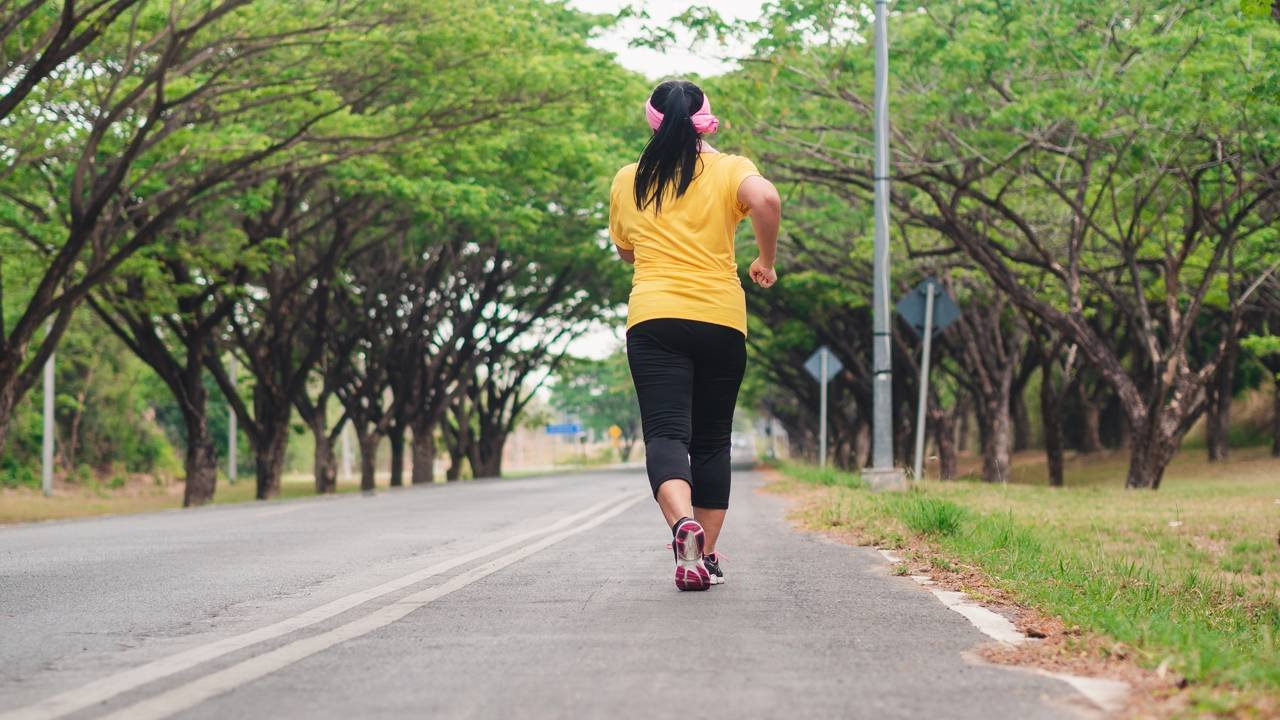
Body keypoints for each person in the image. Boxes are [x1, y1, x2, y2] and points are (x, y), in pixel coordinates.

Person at [609, 79, 782, 591]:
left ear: (652, 122)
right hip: (721, 319)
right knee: (711, 440)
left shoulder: (628, 179)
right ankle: (703, 554)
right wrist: (765, 260)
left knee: (665, 434)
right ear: (705, 119)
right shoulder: (731, 168)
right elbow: (766, 199)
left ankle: (681, 526)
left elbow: (626, 251)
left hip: (654, 317)